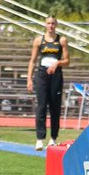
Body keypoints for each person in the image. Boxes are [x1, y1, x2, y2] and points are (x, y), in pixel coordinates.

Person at [26, 15, 69, 151]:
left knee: (55, 107)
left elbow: (67, 60)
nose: (50, 26)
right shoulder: (39, 40)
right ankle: (40, 139)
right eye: (48, 23)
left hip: (55, 75)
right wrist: (29, 78)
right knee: (41, 106)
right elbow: (33, 60)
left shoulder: (61, 40)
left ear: (56, 25)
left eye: (53, 23)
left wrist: (57, 63)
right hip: (42, 74)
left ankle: (53, 138)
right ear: (45, 25)